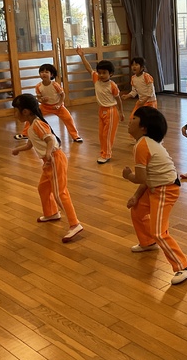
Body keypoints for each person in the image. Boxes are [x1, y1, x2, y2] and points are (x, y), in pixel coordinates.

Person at [123, 106, 187, 285]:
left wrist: (128, 176)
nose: (130, 121)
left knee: (159, 232)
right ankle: (147, 242)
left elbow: (141, 177)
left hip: (165, 189)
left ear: (144, 127)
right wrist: (136, 196)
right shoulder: (144, 143)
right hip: (155, 186)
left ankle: (184, 266)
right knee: (138, 211)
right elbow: (148, 177)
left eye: (134, 119)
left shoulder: (143, 145)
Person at [11, 94, 83, 243]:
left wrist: (49, 153)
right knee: (43, 188)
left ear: (25, 111)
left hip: (55, 159)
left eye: (16, 111)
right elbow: (30, 144)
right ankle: (52, 213)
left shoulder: (38, 124)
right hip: (49, 161)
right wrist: (18, 149)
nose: (14, 114)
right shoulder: (31, 126)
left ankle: (75, 224)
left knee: (59, 193)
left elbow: (50, 140)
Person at [76, 46, 124, 164]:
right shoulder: (96, 79)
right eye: (100, 72)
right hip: (101, 110)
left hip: (111, 111)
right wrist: (82, 56)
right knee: (102, 134)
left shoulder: (112, 85)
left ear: (110, 74)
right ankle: (103, 152)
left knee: (108, 135)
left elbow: (118, 99)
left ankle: (106, 154)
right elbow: (88, 68)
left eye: (104, 73)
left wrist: (121, 112)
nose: (101, 75)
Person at [14, 63, 83, 143]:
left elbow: (62, 95)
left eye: (46, 72)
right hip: (45, 107)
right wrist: (41, 100)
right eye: (42, 72)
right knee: (31, 116)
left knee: (68, 119)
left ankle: (75, 136)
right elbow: (39, 99)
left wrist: (59, 104)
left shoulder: (55, 85)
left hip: (58, 107)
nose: (44, 74)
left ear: (51, 74)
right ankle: (25, 134)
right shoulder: (38, 86)